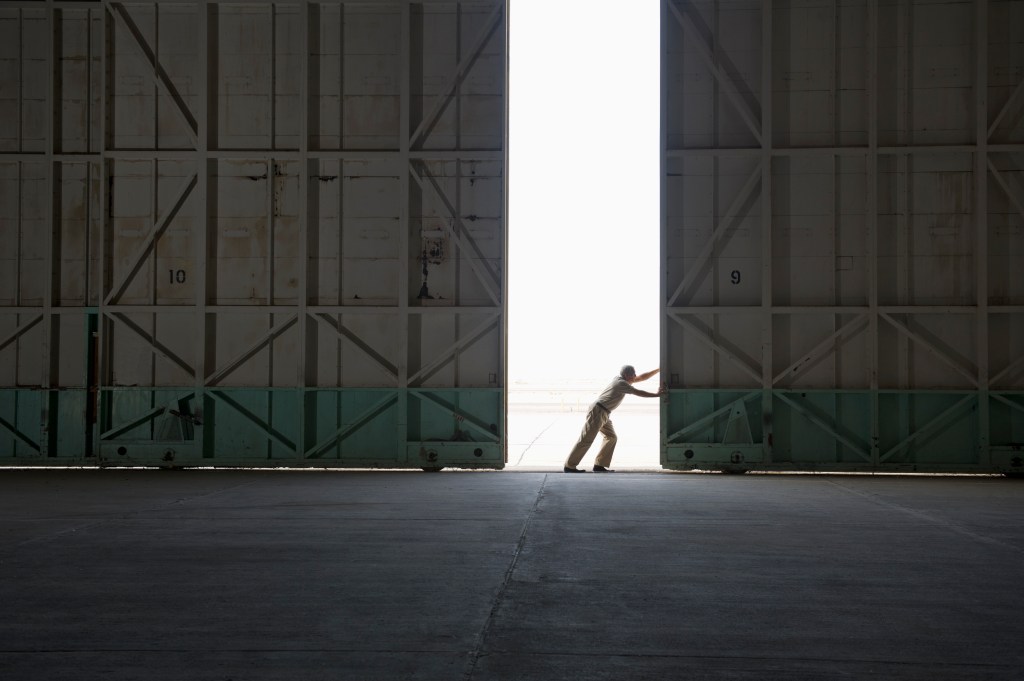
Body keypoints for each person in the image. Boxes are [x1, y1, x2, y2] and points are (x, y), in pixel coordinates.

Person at [564, 365, 665, 473]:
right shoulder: (621, 383)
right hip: (598, 411)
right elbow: (638, 392)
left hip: (604, 412)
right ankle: (569, 466)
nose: (635, 376)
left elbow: (641, 377)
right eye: (633, 374)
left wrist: (659, 369)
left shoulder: (621, 379)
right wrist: (657, 395)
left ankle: (599, 465)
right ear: (627, 375)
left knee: (611, 437)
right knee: (586, 439)